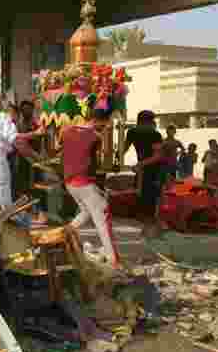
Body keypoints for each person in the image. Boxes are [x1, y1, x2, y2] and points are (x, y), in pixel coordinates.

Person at [60, 106, 120, 268]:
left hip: (69, 181)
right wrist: (106, 134)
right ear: (102, 121)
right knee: (103, 213)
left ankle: (63, 233)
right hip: (83, 182)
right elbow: (106, 158)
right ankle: (114, 259)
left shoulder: (67, 131)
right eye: (106, 123)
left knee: (86, 211)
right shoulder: (96, 135)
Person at [124, 110, 165, 218]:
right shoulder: (155, 134)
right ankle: (147, 217)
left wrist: (140, 164)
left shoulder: (132, 132)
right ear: (149, 121)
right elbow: (158, 156)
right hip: (152, 168)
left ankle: (146, 216)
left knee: (144, 191)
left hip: (148, 167)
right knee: (147, 193)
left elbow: (123, 149)